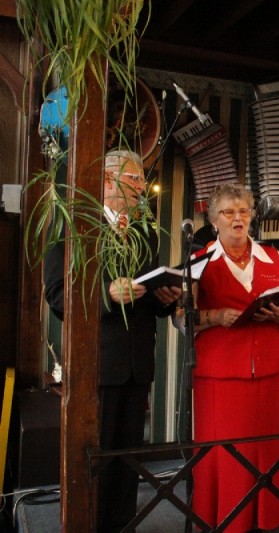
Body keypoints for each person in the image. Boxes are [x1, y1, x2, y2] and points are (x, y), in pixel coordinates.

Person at [44, 150, 182, 533]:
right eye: (135, 179)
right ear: (107, 180)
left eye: (142, 180)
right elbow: (57, 294)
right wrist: (106, 294)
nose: (143, 187)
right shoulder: (74, 227)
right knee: (96, 456)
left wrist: (164, 298)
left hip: (138, 362)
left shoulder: (143, 232)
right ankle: (89, 523)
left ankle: (123, 524)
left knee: (128, 456)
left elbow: (145, 297)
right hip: (98, 364)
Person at [183, 183, 279, 532]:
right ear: (214, 221)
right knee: (224, 450)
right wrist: (215, 316)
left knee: (264, 447)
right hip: (219, 372)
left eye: (244, 211)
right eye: (228, 212)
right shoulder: (198, 261)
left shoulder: (273, 257)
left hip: (267, 367)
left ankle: (263, 517)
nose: (238, 218)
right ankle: (222, 517)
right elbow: (181, 319)